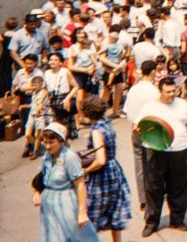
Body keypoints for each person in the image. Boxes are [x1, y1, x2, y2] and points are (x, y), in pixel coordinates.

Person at [135, 77, 187, 237]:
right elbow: (138, 126)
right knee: (154, 187)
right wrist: (138, 132)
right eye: (168, 92)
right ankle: (151, 222)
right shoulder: (150, 107)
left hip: (181, 150)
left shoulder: (183, 104)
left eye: (174, 91)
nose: (172, 94)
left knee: (179, 187)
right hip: (156, 151)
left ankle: (177, 219)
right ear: (160, 91)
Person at [33, 122, 99, 241]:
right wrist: (37, 193)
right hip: (50, 206)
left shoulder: (69, 157)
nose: (47, 146)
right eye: (45, 142)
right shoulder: (46, 156)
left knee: (77, 236)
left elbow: (80, 185)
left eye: (51, 142)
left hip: (67, 204)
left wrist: (82, 212)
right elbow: (41, 178)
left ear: (61, 141)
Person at [81, 96, 132, 241]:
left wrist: (86, 170)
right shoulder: (106, 124)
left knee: (93, 212)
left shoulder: (96, 131)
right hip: (114, 170)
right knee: (114, 210)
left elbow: (100, 159)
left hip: (102, 176)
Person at [122, 60, 159, 212]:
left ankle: (143, 198)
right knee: (153, 165)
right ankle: (152, 196)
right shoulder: (154, 91)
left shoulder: (133, 90)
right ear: (152, 72)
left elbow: (127, 112)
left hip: (135, 128)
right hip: (150, 129)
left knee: (139, 165)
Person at [44, 52, 79, 140]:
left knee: (64, 129)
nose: (53, 62)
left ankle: (65, 149)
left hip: (63, 100)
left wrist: (67, 99)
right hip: (51, 100)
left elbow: (76, 87)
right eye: (51, 60)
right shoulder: (47, 73)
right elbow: (44, 89)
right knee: (52, 128)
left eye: (56, 60)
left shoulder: (66, 72)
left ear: (60, 62)